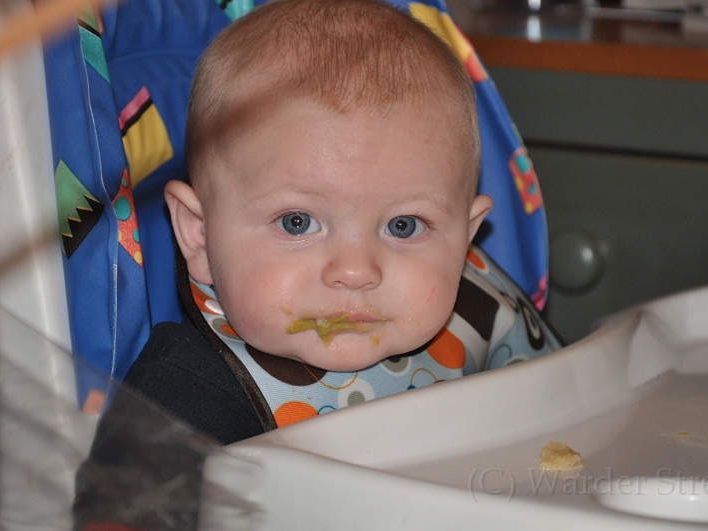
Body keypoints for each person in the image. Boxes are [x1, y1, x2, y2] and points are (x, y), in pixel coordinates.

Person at [74, 1, 561, 529]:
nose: (355, 271)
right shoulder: (191, 396)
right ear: (199, 236)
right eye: (297, 222)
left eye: (403, 226)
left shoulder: (482, 316)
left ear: (466, 237)